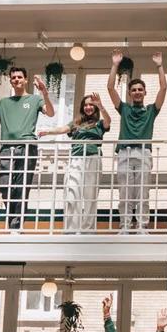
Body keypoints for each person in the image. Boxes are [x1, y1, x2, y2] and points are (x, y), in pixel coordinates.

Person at [0, 66, 55, 230]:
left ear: (25, 80)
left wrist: (45, 93)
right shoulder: (3, 103)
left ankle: (15, 227)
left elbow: (50, 113)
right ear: (11, 81)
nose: (16, 80)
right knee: (5, 185)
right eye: (13, 78)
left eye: (19, 77)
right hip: (6, 148)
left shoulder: (34, 100)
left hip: (27, 147)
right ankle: (13, 222)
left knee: (21, 188)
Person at [106, 50, 166, 231]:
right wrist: (115, 65)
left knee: (142, 192)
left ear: (145, 92)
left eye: (140, 89)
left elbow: (163, 89)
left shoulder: (151, 110)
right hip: (124, 153)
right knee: (125, 192)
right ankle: (125, 225)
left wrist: (159, 66)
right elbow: (110, 88)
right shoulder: (124, 108)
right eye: (134, 90)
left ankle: (142, 226)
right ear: (130, 93)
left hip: (143, 153)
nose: (137, 92)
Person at [38, 93, 108, 233]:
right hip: (76, 158)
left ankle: (88, 230)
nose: (88, 107)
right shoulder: (76, 123)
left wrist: (101, 105)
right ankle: (71, 229)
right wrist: (47, 131)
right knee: (71, 192)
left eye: (91, 105)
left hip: (93, 158)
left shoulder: (99, 123)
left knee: (90, 195)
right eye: (86, 105)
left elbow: (108, 121)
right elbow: (62, 129)